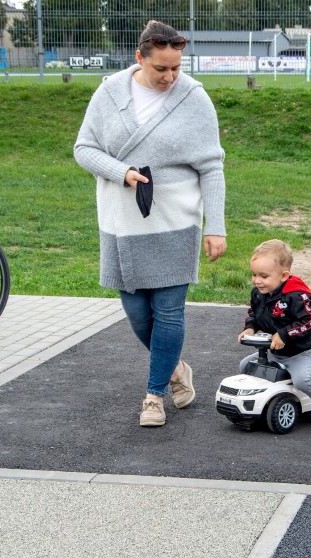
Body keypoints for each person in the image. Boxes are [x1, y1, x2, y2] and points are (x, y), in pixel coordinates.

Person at [73, 20, 227, 427]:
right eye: (161, 68)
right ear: (139, 58)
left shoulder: (193, 98)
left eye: (176, 67)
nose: (170, 77)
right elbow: (84, 149)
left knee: (169, 312)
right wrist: (119, 170)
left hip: (176, 222)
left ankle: (154, 394)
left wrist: (216, 225)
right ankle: (176, 368)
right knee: (138, 313)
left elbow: (212, 167)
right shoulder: (109, 93)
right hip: (122, 223)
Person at [237, 240, 311, 438]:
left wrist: (284, 334)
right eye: (254, 275)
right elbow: (254, 313)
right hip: (274, 352)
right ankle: (261, 406)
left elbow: (310, 321)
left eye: (264, 276)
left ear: (284, 276)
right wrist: (250, 327)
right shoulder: (260, 293)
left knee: (302, 379)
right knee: (245, 365)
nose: (257, 281)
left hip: (301, 353)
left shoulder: (297, 296)